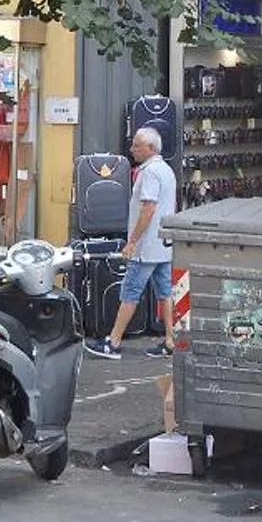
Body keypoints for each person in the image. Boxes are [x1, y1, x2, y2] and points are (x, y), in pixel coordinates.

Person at [86, 126, 175, 360]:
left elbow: (148, 209)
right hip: (163, 245)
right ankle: (171, 339)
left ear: (151, 148)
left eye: (137, 145)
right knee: (166, 293)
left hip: (145, 248)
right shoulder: (167, 170)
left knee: (130, 292)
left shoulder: (150, 173)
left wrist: (132, 242)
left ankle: (113, 342)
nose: (132, 149)